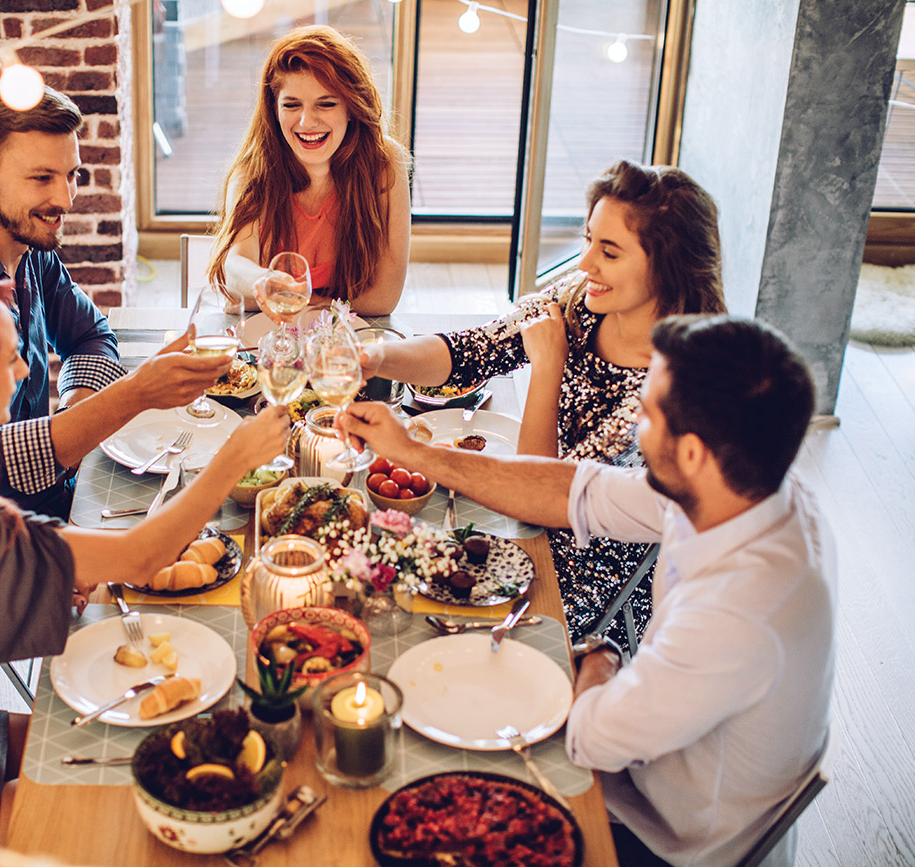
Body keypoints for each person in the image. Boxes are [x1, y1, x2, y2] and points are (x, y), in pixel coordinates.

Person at [0, 262, 290, 866]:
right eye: (11, 358)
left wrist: (40, 573)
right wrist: (233, 458)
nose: (24, 372)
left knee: (138, 744)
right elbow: (143, 556)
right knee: (135, 820)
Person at [343, 314, 835, 867]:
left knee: (406, 776)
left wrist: (602, 654)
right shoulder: (746, 486)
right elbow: (574, 490)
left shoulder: (739, 614)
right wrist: (415, 453)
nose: (636, 426)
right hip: (655, 762)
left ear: (693, 453)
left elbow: (591, 739)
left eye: (647, 413)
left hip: (660, 837)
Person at [361, 160, 727, 645]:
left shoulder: (667, 387)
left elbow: (543, 499)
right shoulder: (583, 298)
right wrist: (375, 355)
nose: (584, 264)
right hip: (520, 513)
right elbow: (470, 351)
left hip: (582, 576)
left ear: (668, 264)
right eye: (588, 239)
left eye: (609, 252)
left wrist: (547, 368)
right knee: (376, 563)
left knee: (407, 612)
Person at [0, 81, 228, 519]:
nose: (65, 200)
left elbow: (89, 335)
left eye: (72, 175)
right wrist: (129, 397)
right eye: (42, 177)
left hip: (49, 501)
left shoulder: (26, 247)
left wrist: (78, 413)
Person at [207, 24, 411, 316]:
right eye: (291, 105)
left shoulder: (386, 163)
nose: (306, 122)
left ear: (351, 108)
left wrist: (297, 301)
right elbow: (235, 265)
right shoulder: (252, 171)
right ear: (274, 109)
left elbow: (383, 299)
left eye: (325, 104)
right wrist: (264, 281)